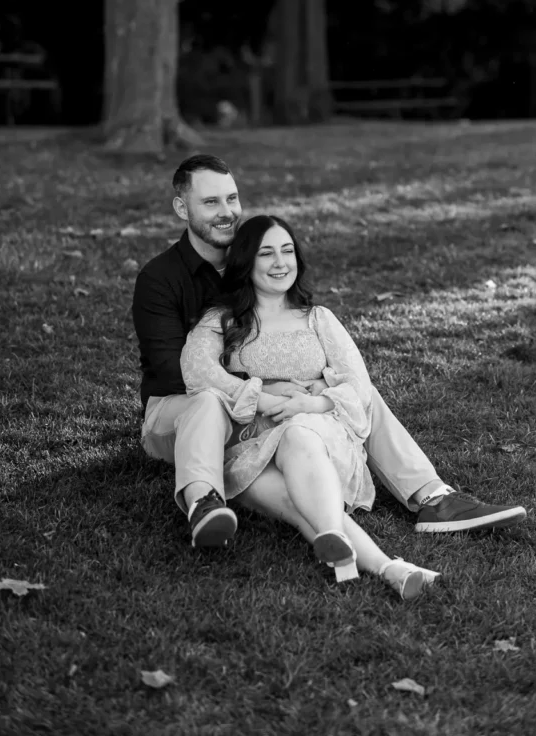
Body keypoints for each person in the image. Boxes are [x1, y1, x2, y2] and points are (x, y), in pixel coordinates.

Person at [134, 154, 527, 550]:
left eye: (231, 198)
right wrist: (268, 389)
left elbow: (285, 325)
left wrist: (317, 391)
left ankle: (433, 496)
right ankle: (215, 501)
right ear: (182, 208)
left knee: (361, 392)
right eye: (210, 202)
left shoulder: (254, 253)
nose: (226, 212)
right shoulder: (160, 279)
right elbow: (175, 372)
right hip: (184, 408)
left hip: (256, 406)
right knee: (211, 402)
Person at [180, 214, 442, 599]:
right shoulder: (222, 320)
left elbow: (359, 384)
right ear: (246, 262)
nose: (280, 262)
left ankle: (339, 539)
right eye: (266, 253)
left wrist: (313, 401)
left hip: (316, 438)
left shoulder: (319, 319)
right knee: (296, 502)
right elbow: (197, 370)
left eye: (287, 251)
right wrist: (261, 397)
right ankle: (390, 568)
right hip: (250, 448)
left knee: (298, 435)